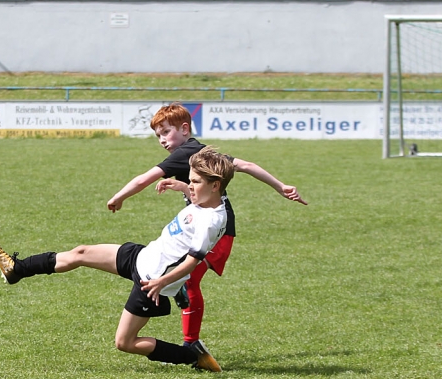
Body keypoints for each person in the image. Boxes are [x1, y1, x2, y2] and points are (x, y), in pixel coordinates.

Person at [0, 147, 235, 372]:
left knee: (124, 342)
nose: (190, 185)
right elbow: (199, 199)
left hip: (151, 281)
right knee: (81, 253)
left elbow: (192, 262)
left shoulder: (211, 222)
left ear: (215, 185)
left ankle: (190, 355)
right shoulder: (208, 198)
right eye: (189, 180)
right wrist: (181, 187)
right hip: (142, 256)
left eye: (194, 182)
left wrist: (162, 283)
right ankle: (16, 269)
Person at [107, 102, 306, 346]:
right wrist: (280, 185)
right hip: (209, 226)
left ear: (184, 129)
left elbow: (144, 179)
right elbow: (246, 165)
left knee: (189, 279)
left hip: (217, 233)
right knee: (186, 277)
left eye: (166, 132)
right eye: (158, 135)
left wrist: (119, 197)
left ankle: (191, 343)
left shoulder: (183, 154)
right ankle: (190, 338)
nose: (162, 140)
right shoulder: (202, 153)